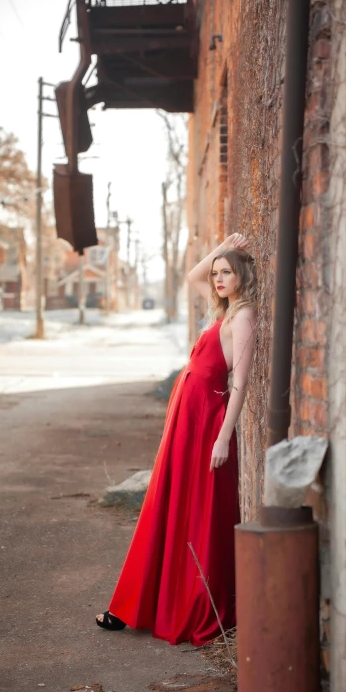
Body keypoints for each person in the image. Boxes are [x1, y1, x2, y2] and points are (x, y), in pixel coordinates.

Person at [96, 232, 257, 646]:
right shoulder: (223, 311)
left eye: (226, 273)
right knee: (167, 505)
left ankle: (196, 603)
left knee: (200, 512)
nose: (218, 279)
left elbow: (239, 383)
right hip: (185, 421)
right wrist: (219, 246)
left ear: (242, 277)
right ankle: (137, 603)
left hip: (207, 424)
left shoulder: (243, 318)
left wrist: (224, 437)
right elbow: (193, 274)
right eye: (218, 273)